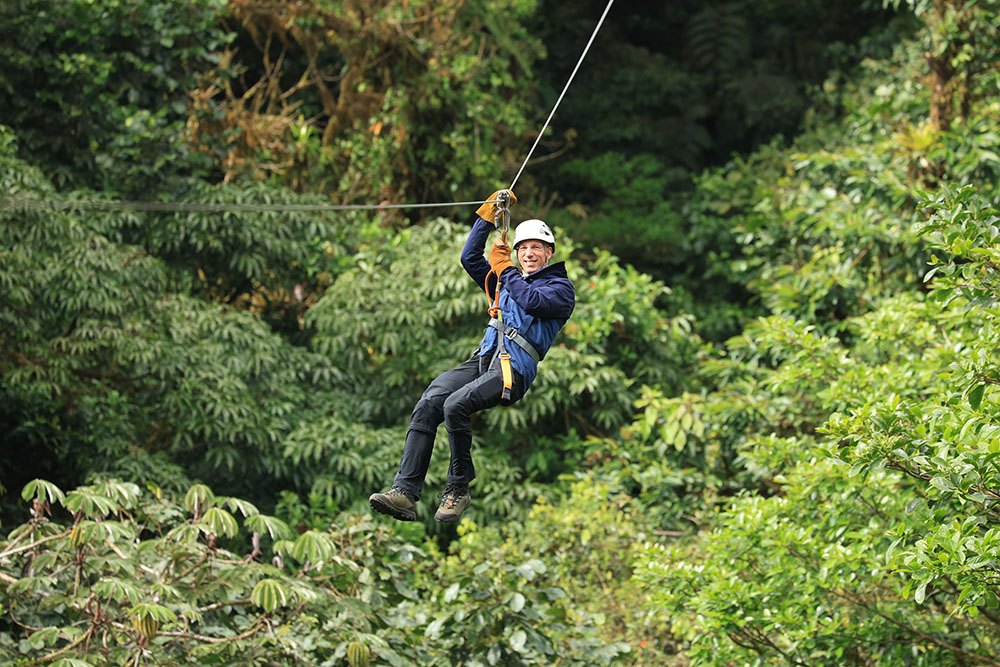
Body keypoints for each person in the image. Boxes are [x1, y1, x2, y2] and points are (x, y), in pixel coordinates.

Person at [369, 190, 576, 522]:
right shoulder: (508, 280)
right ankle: (405, 492)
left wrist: (506, 269)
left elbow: (532, 302)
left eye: (536, 247)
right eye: (522, 248)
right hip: (484, 359)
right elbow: (470, 258)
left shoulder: (560, 289)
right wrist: (486, 217)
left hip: (514, 368)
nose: (529, 253)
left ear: (549, 252)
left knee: (456, 405)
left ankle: (458, 489)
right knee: (430, 402)